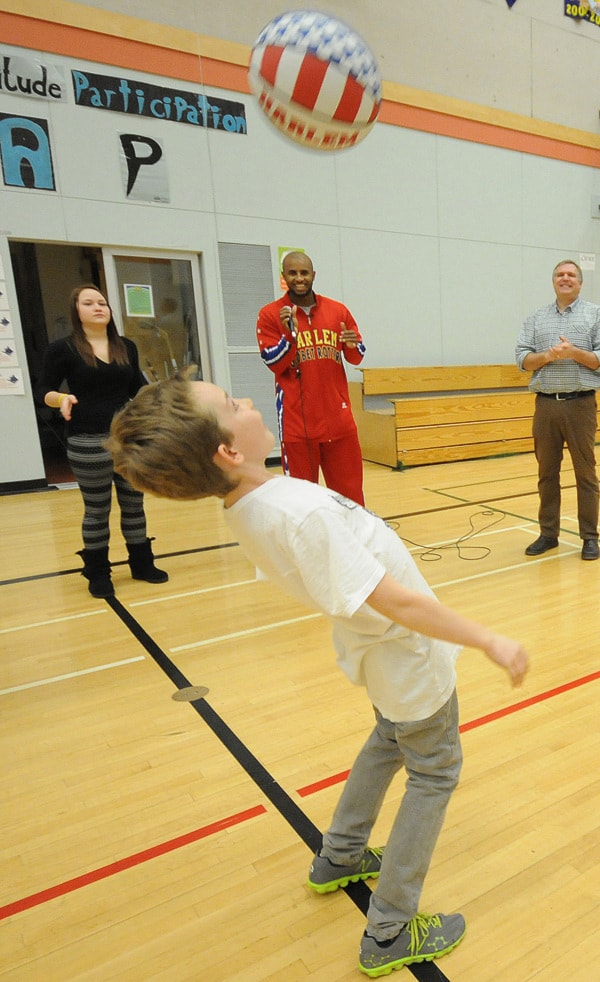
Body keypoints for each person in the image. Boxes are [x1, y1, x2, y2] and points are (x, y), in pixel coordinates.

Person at [106, 373, 529, 977]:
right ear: (227, 452)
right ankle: (388, 931)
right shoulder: (295, 513)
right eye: (233, 403)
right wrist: (488, 637)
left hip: (377, 652)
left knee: (389, 738)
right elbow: (398, 603)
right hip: (404, 655)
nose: (248, 401)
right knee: (434, 772)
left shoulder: (249, 503)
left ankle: (339, 855)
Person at [34, 283, 168, 598]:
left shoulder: (126, 346)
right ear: (76, 311)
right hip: (87, 440)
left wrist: (167, 399)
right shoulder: (62, 350)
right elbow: (43, 391)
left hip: (128, 439)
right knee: (97, 509)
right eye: (89, 303)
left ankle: (141, 564)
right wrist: (61, 399)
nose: (98, 307)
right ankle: (98, 573)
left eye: (102, 302)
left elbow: (137, 387)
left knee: (134, 504)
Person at [256, 251, 366, 506]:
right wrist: (290, 335)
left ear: (313, 275)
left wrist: (351, 345)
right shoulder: (271, 315)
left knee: (352, 499)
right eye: (292, 273)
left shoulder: (338, 311)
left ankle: (352, 544)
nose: (299, 278)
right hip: (297, 426)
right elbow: (274, 363)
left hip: (339, 423)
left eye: (304, 273)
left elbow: (357, 356)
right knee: (301, 503)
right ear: (284, 277)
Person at [515, 259, 600, 561]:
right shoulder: (537, 317)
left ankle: (590, 537)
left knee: (585, 474)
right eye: (560, 275)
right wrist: (548, 355)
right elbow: (522, 358)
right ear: (553, 281)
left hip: (581, 405)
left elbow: (599, 358)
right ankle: (548, 534)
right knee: (546, 473)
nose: (565, 279)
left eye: (571, 275)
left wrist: (573, 352)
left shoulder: (595, 314)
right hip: (546, 406)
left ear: (580, 282)